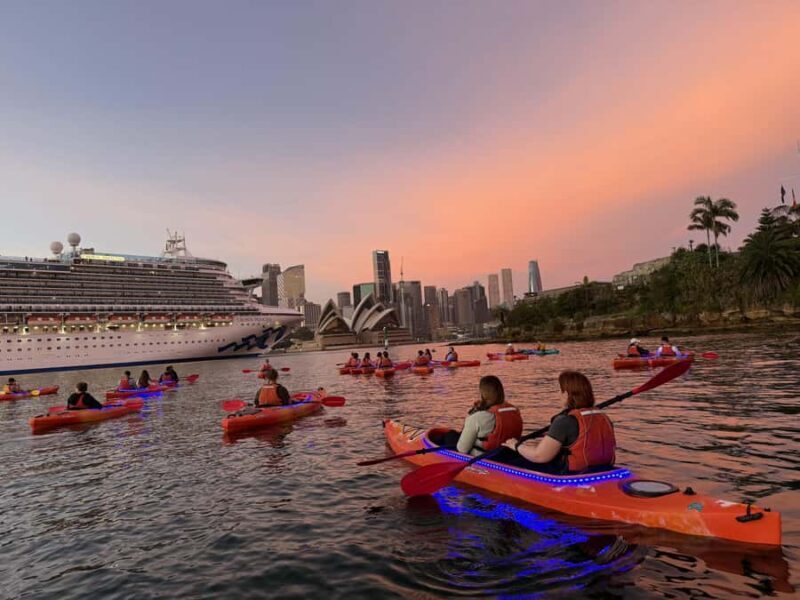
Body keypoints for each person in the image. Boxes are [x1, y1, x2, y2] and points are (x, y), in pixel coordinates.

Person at [502, 371, 616, 474]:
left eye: (559, 390)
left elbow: (539, 456)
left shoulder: (565, 421)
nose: (557, 394)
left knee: (510, 463)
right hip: (604, 470)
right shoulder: (604, 417)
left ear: (566, 394)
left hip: (572, 475)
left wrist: (516, 445)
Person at [439, 375, 522, 457]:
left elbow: (462, 450)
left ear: (482, 395)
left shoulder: (477, 417)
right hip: (508, 454)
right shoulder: (515, 411)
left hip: (487, 457)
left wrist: (473, 414)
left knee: (449, 436)